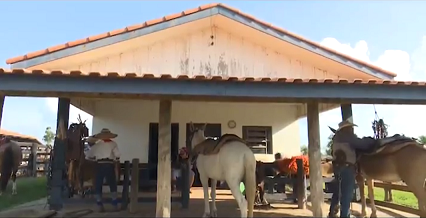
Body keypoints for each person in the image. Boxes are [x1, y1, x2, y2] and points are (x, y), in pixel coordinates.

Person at [328, 120, 376, 218]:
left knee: (337, 191)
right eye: (351, 127)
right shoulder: (349, 137)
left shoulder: (336, 138)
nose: (352, 129)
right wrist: (371, 140)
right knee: (346, 195)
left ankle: (332, 213)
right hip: (347, 169)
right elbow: (362, 144)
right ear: (347, 128)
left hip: (337, 168)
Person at [86, 128, 121, 212]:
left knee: (98, 184)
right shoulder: (113, 144)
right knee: (112, 183)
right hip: (109, 164)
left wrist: (94, 160)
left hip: (99, 165)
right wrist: (115, 160)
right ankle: (114, 203)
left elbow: (88, 156)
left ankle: (99, 204)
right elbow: (118, 155)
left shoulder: (97, 145)